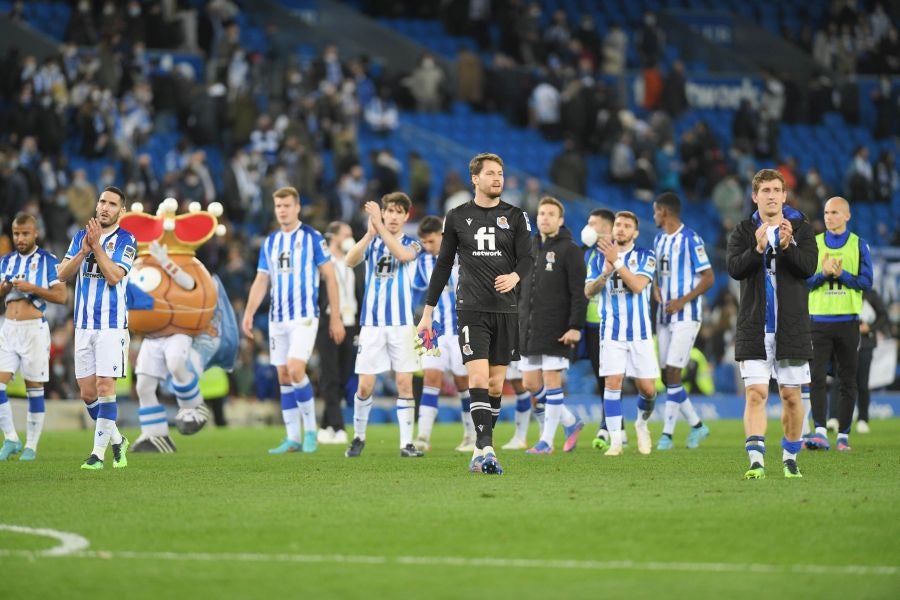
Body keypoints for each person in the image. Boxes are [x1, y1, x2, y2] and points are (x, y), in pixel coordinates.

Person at [416, 152, 534, 475]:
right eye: (491, 173)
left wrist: (515, 276)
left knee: (496, 386)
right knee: (477, 379)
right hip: (470, 309)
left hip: (506, 310)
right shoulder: (455, 217)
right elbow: (442, 266)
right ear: (475, 179)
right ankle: (488, 450)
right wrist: (427, 313)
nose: (498, 178)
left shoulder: (516, 216)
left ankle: (480, 447)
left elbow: (527, 258)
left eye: (501, 173)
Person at [726, 168, 817, 479]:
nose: (771, 196)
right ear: (755, 197)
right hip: (755, 327)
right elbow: (735, 269)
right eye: (765, 191)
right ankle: (756, 461)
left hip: (791, 328)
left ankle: (790, 458)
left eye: (776, 190)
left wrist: (789, 246)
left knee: (792, 397)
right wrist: (758, 249)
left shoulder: (802, 229)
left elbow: (808, 269)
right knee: (755, 394)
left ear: (784, 195)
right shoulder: (742, 231)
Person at [242, 187, 345, 455]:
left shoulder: (312, 237)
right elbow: (262, 279)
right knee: (283, 375)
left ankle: (311, 431)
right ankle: (293, 438)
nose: (282, 210)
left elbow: (330, 277)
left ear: (297, 207)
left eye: (287, 205)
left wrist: (335, 315)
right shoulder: (271, 242)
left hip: (304, 317)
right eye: (278, 206)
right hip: (278, 318)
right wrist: (250, 312)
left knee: (296, 369)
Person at [57, 186, 138, 470]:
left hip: (112, 326)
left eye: (112, 204)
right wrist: (82, 252)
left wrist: (98, 248)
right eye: (102, 201)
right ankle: (117, 440)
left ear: (121, 211)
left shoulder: (128, 240)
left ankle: (97, 455)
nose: (105, 207)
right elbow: (61, 274)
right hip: (84, 325)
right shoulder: (81, 236)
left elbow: (115, 276)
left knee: (105, 387)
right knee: (88, 394)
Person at [344, 193, 424, 458]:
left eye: (398, 212)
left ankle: (406, 443)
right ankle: (358, 437)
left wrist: (378, 226)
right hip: (372, 324)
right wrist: (369, 234)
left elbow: (401, 255)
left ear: (405, 216)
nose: (392, 216)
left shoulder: (414, 244)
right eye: (388, 211)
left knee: (404, 383)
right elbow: (349, 260)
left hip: (401, 324)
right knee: (365, 386)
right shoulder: (373, 241)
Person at [585, 211, 659, 456]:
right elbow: (588, 291)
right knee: (612, 383)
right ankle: (616, 441)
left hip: (640, 333)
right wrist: (605, 272)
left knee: (648, 390)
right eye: (618, 224)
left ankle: (641, 423)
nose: (621, 228)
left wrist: (616, 263)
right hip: (611, 332)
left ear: (635, 233)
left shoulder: (645, 256)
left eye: (627, 225)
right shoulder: (598, 258)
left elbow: (638, 286)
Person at [517, 196, 587, 455]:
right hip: (529, 327)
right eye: (542, 213)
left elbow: (579, 293)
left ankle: (546, 441)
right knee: (530, 383)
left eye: (550, 214)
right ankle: (570, 422)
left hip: (556, 326)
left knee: (551, 380)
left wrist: (575, 326)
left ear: (560, 220)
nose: (544, 217)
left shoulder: (570, 250)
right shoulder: (529, 247)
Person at [804, 196, 873, 452]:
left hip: (848, 321)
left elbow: (867, 282)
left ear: (846, 216)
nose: (828, 216)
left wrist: (841, 274)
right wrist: (824, 274)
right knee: (817, 378)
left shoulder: (858, 245)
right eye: (825, 212)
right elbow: (805, 281)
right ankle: (820, 432)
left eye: (834, 212)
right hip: (819, 321)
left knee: (847, 380)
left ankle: (843, 436)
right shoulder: (815, 243)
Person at [0, 213, 67, 461]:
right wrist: (5, 288)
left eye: (25, 233)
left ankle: (31, 446)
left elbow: (61, 296)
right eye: (16, 234)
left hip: (34, 330)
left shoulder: (48, 260)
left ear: (35, 232)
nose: (20, 238)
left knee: (34, 388)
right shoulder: (5, 261)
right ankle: (11, 439)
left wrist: (33, 289)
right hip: (8, 328)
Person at [652, 192, 715, 450]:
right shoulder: (658, 239)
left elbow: (709, 277)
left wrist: (682, 300)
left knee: (674, 371)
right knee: (669, 375)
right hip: (663, 316)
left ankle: (667, 434)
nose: (654, 216)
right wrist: (656, 288)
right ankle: (698, 426)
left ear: (664, 212)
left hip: (686, 316)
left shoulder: (691, 239)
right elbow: (657, 274)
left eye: (655, 211)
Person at [411, 215, 475, 453]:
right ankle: (423, 437)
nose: (428, 247)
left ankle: (470, 435)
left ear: (442, 236)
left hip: (461, 329)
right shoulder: (422, 263)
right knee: (430, 379)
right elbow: (417, 295)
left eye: (431, 241)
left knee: (463, 382)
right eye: (424, 243)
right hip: (432, 330)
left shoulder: (462, 257)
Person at [315, 221, 362, 445]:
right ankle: (338, 426)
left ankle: (325, 426)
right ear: (334, 237)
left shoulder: (350, 262)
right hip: (330, 320)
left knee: (344, 375)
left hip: (351, 320)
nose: (349, 238)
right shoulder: (323, 263)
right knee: (330, 374)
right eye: (347, 234)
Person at [580, 208, 614, 449]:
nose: (588, 227)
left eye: (593, 223)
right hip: (592, 324)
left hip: (614, 323)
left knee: (613, 377)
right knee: (601, 376)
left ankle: (608, 424)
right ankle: (611, 424)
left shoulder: (622, 251)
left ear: (607, 228)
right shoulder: (591, 255)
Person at [856, 288, 890, 433]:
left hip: (866, 343)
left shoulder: (871, 293)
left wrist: (870, 327)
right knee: (841, 381)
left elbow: (883, 315)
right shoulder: (844, 288)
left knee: (862, 382)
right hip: (844, 342)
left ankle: (863, 419)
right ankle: (834, 418)